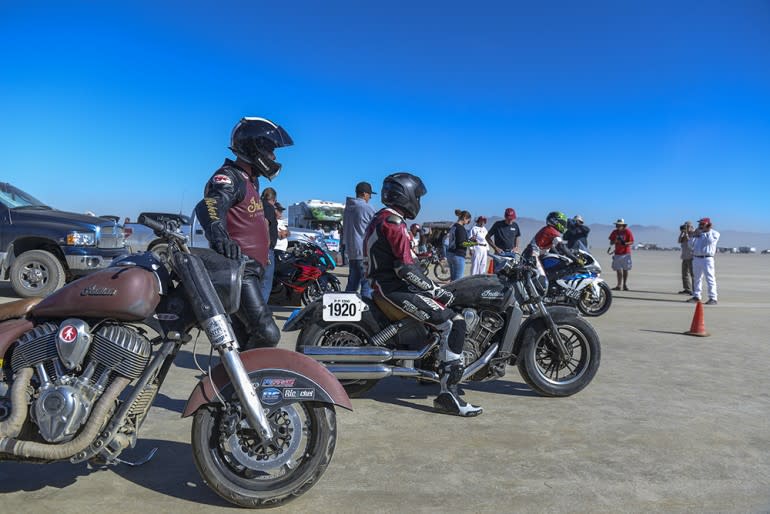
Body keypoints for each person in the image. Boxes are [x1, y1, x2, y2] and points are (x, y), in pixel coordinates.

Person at [364, 172, 482, 416]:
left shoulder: (385, 218)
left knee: (438, 318)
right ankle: (449, 395)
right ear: (405, 194)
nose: (419, 201)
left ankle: (428, 375)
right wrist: (434, 289)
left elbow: (404, 261)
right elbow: (404, 269)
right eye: (417, 196)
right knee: (454, 323)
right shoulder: (393, 223)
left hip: (387, 285)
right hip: (392, 289)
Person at [194, 116, 292, 350]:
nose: (274, 157)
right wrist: (219, 235)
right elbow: (209, 205)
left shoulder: (250, 180)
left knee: (241, 339)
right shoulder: (229, 176)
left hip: (252, 270)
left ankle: (237, 382)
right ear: (254, 148)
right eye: (270, 150)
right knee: (267, 334)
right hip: (241, 270)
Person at [343, 181, 376, 299]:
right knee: (367, 285)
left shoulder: (348, 208)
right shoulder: (367, 208)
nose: (370, 197)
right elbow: (377, 228)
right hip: (364, 252)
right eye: (369, 195)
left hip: (351, 252)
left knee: (352, 284)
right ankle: (366, 312)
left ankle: (345, 313)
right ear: (364, 194)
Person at [688, 217, 720, 305]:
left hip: (707, 258)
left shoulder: (715, 233)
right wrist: (693, 236)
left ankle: (713, 298)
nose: (700, 225)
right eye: (700, 224)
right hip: (696, 258)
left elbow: (710, 242)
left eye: (702, 224)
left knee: (710, 278)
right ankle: (696, 296)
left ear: (707, 224)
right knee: (697, 278)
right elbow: (690, 246)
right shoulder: (698, 233)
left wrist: (707, 231)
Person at [260, 187, 279, 302]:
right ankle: (260, 313)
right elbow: (265, 224)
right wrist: (266, 248)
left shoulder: (256, 206)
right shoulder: (268, 207)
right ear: (274, 199)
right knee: (266, 283)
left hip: (254, 248)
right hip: (265, 250)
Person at [447, 209, 475, 281]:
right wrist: (474, 243)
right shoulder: (460, 228)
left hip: (451, 254)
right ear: (465, 218)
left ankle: (449, 292)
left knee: (452, 281)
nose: (468, 222)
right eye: (468, 220)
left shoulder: (454, 226)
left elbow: (457, 241)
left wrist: (469, 240)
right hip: (458, 256)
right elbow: (462, 243)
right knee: (457, 281)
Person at [609, 218, 634, 291]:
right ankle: (619, 285)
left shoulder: (627, 231)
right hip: (617, 253)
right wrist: (615, 241)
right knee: (618, 270)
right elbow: (611, 242)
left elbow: (631, 241)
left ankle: (625, 285)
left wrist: (625, 243)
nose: (617, 226)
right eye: (617, 225)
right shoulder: (614, 232)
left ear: (623, 225)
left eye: (619, 225)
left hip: (626, 253)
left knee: (625, 270)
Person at [678, 221, 694, 295]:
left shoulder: (694, 234)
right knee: (684, 274)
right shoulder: (684, 234)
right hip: (684, 257)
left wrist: (687, 233)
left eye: (687, 227)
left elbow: (689, 242)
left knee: (693, 275)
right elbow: (679, 241)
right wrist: (682, 233)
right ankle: (687, 289)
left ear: (691, 227)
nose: (686, 228)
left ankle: (695, 290)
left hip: (691, 257)